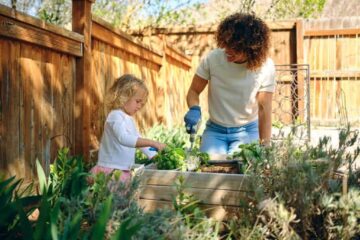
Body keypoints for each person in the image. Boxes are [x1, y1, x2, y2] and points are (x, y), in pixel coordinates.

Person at [184, 13, 276, 155]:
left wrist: (265, 145)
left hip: (247, 130)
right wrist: (194, 108)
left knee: (242, 170)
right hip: (215, 129)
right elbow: (194, 91)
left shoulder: (265, 67)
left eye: (235, 48)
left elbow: (264, 109)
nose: (227, 50)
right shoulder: (213, 59)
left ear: (251, 49)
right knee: (209, 168)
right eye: (226, 44)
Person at [91, 74, 166, 182]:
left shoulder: (128, 119)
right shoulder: (115, 116)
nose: (140, 106)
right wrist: (153, 143)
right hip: (111, 171)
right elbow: (123, 138)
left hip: (122, 171)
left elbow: (137, 139)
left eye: (142, 103)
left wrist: (155, 157)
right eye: (137, 101)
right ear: (124, 96)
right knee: (112, 198)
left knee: (120, 198)